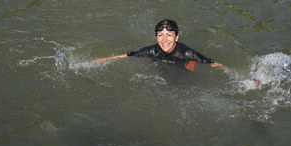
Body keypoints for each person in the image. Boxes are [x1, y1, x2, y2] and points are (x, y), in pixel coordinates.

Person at [95, 19, 261, 86]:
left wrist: (234, 73)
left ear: (176, 37)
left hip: (184, 64)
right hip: (161, 61)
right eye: (160, 35)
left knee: (192, 71)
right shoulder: (152, 49)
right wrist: (104, 59)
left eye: (169, 35)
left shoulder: (186, 52)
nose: (164, 39)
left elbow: (213, 63)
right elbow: (127, 55)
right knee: (146, 59)